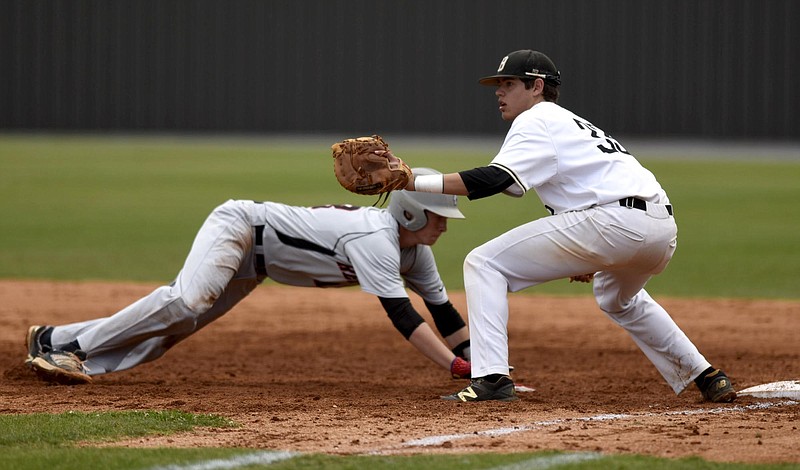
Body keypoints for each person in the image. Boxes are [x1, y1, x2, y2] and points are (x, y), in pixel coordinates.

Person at [403, 50, 736, 403]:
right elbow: (551, 187)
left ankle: (491, 379)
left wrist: (410, 181)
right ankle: (706, 375)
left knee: (484, 263)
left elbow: (497, 179)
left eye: (509, 83)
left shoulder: (537, 118)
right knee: (617, 298)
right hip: (660, 229)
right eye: (498, 84)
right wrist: (590, 256)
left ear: (537, 87)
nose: (499, 92)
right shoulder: (571, 123)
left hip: (613, 223)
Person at [25, 168, 473, 386]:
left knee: (178, 328)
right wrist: (454, 366)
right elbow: (402, 316)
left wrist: (482, 367)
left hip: (256, 264)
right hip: (240, 227)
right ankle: (71, 349)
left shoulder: (414, 254)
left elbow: (443, 313)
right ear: (411, 213)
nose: (445, 224)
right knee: (187, 302)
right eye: (438, 216)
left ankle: (55, 339)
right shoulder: (377, 238)